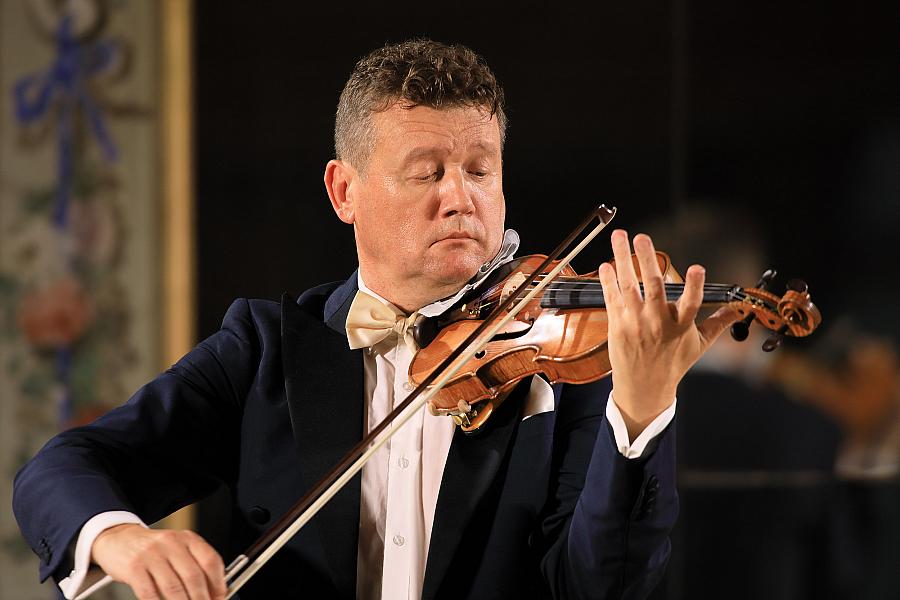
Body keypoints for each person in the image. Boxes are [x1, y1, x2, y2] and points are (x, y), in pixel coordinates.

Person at [14, 39, 738, 600]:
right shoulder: (266, 350)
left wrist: (642, 409)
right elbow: (62, 469)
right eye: (427, 172)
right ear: (344, 191)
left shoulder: (563, 366)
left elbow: (599, 586)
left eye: (480, 170)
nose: (461, 199)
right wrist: (125, 542)